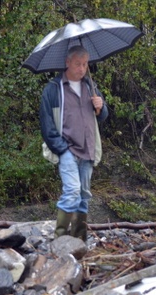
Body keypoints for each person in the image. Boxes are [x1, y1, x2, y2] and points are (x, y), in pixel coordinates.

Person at [39, 45, 108, 242]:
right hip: (67, 149)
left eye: (85, 64)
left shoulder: (90, 87)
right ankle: (60, 239)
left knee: (84, 195)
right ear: (67, 63)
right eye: (78, 64)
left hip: (88, 148)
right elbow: (46, 123)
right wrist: (61, 149)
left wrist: (101, 107)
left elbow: (102, 116)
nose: (82, 68)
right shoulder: (53, 89)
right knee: (72, 191)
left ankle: (79, 240)